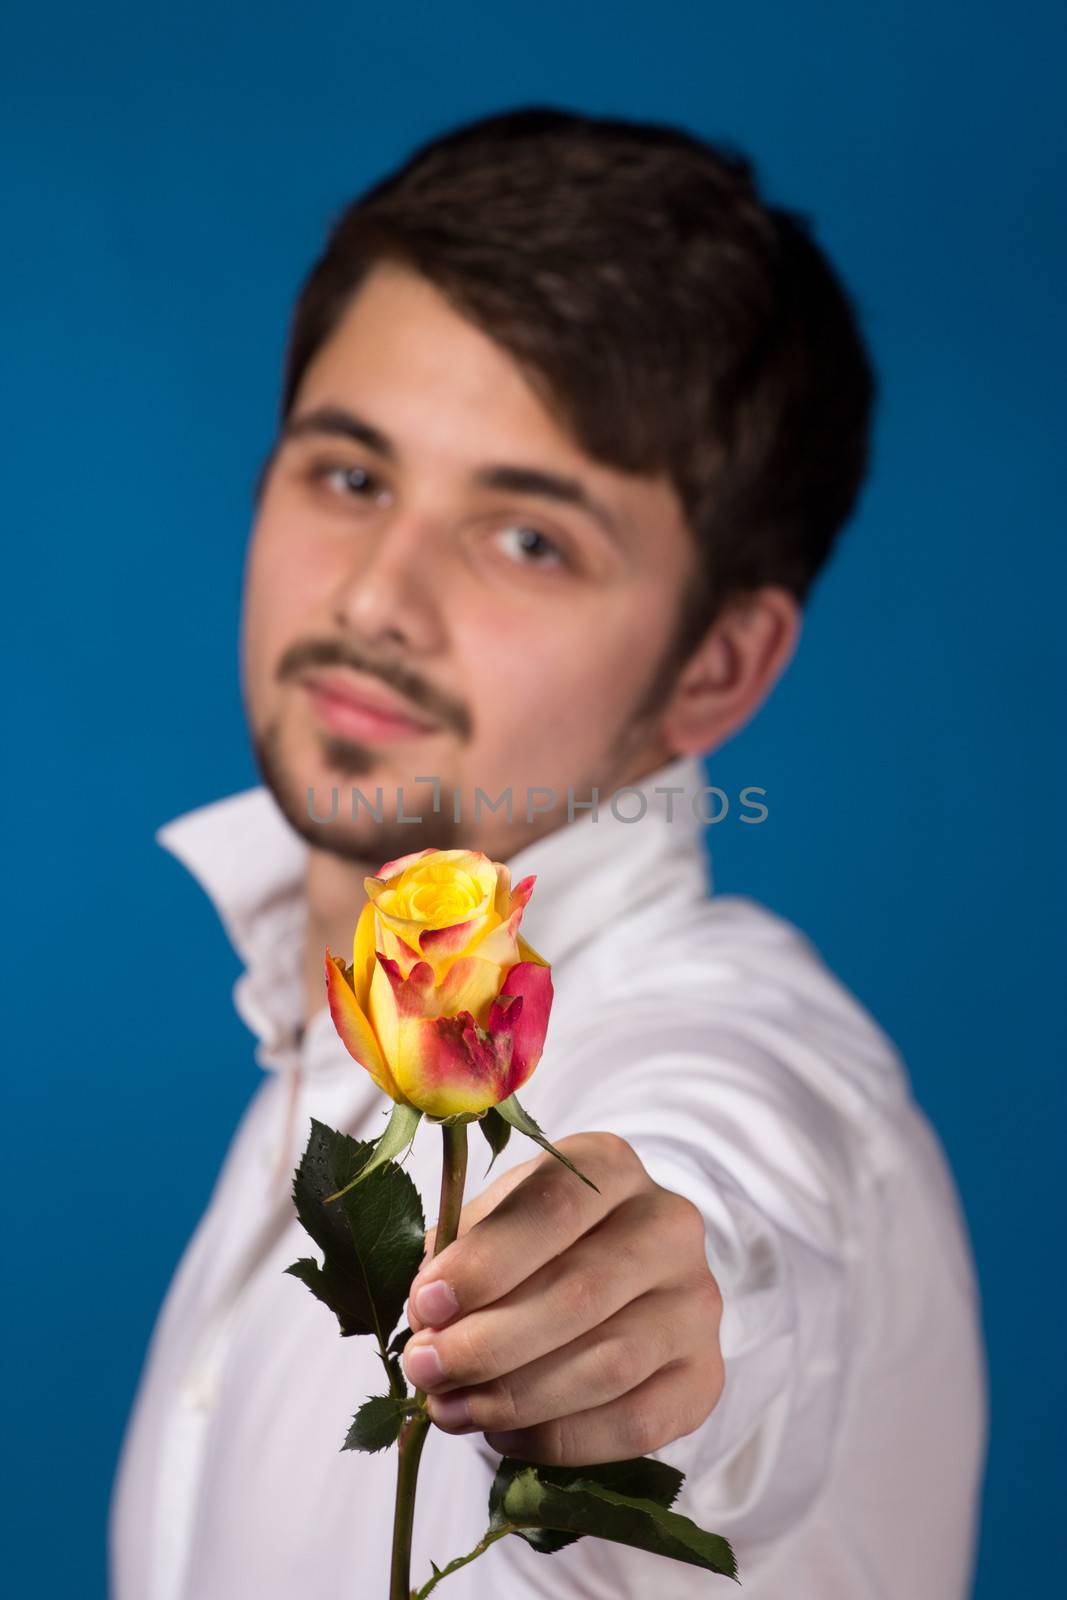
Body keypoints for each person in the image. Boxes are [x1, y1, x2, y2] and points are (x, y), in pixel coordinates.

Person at [108, 106, 987, 1599]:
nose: (383, 596)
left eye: (528, 539)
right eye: (353, 475)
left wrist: (661, 1319)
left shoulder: (745, 1058)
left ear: (716, 667)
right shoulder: (311, 1051)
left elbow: (743, 1198)